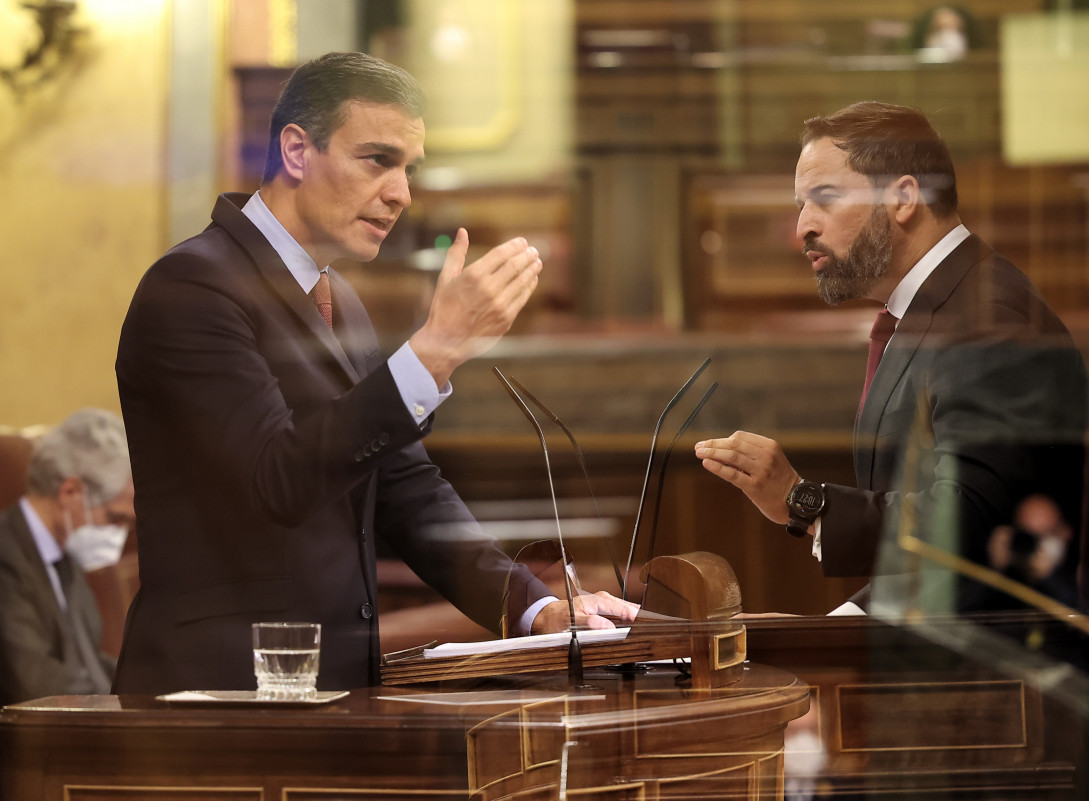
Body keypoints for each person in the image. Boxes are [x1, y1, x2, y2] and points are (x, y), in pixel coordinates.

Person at [112, 52, 637, 695]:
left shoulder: (342, 300)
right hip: (217, 699)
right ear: (298, 152)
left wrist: (536, 610)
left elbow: (404, 488)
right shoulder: (193, 286)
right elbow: (275, 481)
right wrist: (434, 351)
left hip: (329, 693)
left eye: (408, 169)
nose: (402, 194)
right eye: (378, 160)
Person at [694, 101, 1088, 614]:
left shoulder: (987, 319)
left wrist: (802, 500)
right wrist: (838, 627)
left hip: (1007, 679)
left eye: (825, 199)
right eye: (800, 206)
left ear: (903, 196)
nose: (803, 228)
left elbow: (974, 523)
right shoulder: (937, 308)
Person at [0, 409, 135, 704]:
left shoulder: (67, 559)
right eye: (115, 518)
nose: (121, 533)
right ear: (71, 491)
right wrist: (115, 709)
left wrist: (151, 687)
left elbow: (86, 662)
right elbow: (34, 680)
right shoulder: (6, 555)